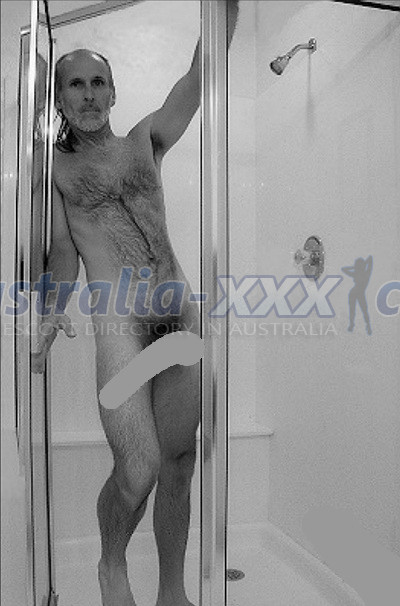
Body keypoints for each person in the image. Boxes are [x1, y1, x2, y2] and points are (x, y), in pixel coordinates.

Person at [31, 3, 239, 606]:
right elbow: (63, 255)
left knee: (179, 461)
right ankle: (110, 563)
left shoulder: (145, 141)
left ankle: (172, 591)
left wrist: (225, 11)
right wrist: (50, 313)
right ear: (59, 99)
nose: (89, 94)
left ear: (114, 92)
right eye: (75, 84)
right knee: (138, 468)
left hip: (179, 319)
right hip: (122, 329)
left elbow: (199, 78)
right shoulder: (56, 172)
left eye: (98, 82)